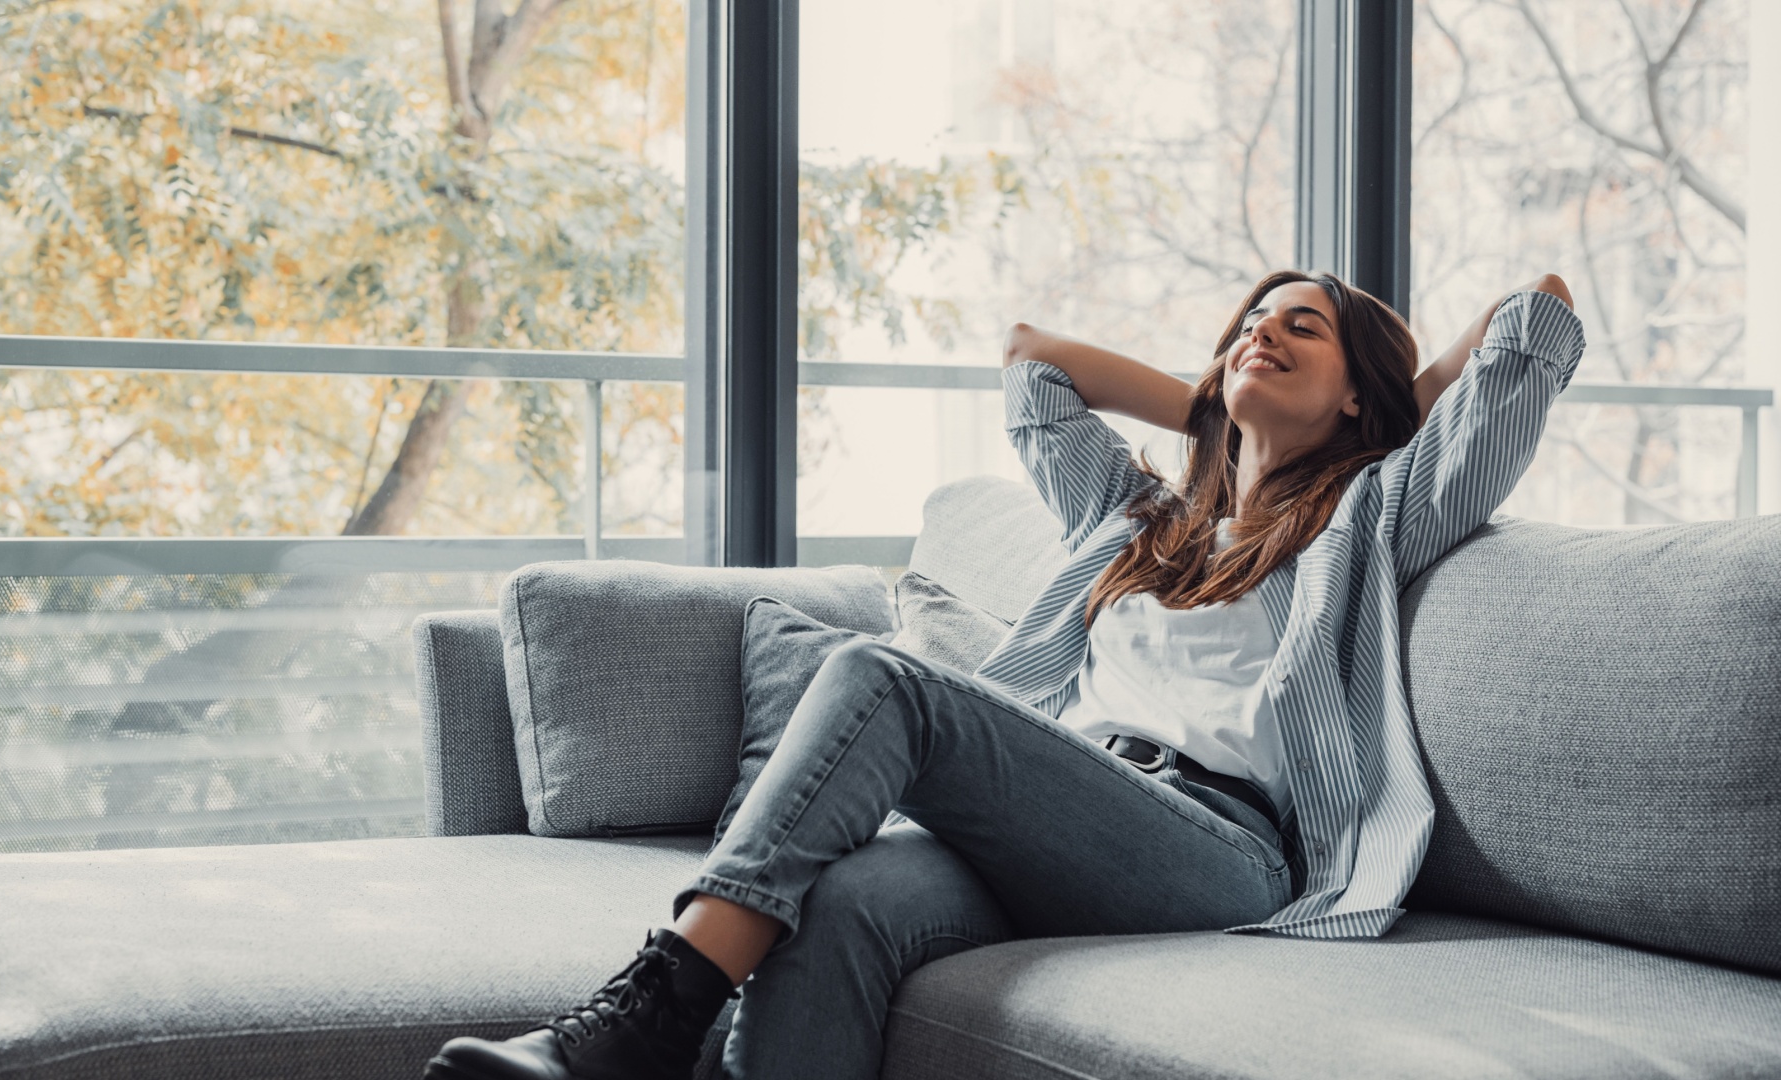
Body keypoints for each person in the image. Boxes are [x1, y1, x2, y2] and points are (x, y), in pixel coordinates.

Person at [423, 269, 1586, 1080]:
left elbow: (1537, 315)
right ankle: (646, 1035)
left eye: (1302, 329)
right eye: (1248, 321)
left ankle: (645, 1018)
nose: (1260, 334)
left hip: (1219, 850)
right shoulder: (1134, 520)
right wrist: (1214, 406)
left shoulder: (1373, 514)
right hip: (1063, 811)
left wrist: (1388, 411)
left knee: (888, 677)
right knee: (841, 906)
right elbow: (1032, 362)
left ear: (1357, 394)